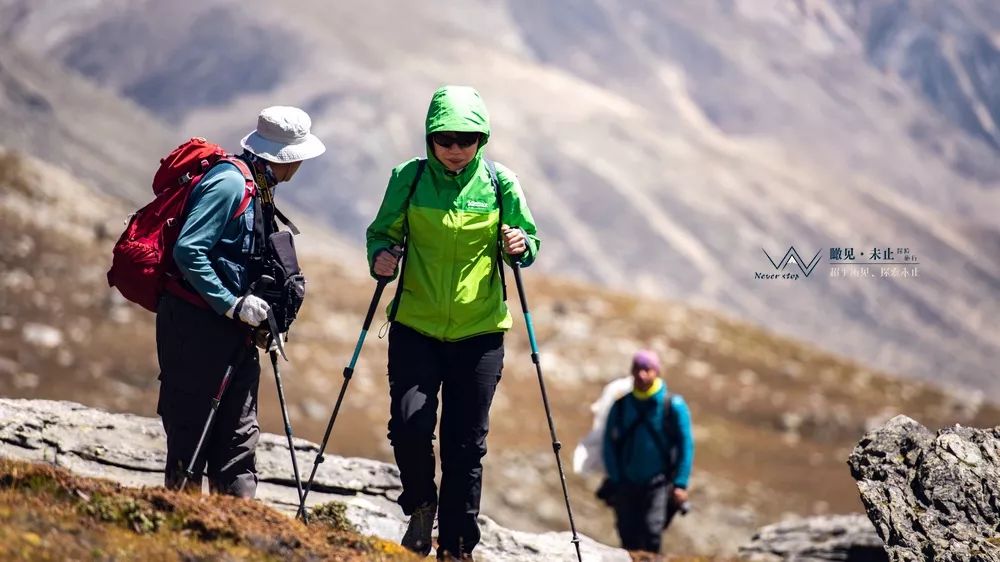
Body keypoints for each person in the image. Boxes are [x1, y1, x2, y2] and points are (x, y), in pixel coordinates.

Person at [366, 85, 540, 560]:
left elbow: (528, 240)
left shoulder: (500, 183)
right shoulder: (409, 178)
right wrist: (380, 258)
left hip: (479, 334)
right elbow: (381, 234)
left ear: (482, 139)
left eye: (467, 139)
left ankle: (457, 546)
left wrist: (521, 245)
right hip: (415, 327)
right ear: (430, 137)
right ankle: (422, 507)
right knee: (409, 427)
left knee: (465, 446)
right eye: (445, 139)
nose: (456, 148)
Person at [156, 106, 325, 497]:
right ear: (288, 157)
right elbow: (188, 250)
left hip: (233, 331)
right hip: (195, 328)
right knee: (191, 435)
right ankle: (179, 520)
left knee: (238, 438)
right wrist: (232, 304)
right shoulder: (230, 183)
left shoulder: (259, 185)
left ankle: (237, 526)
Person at [601, 350, 694, 555]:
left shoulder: (673, 405)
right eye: (637, 369)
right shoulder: (621, 405)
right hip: (625, 483)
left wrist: (680, 483)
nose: (641, 374)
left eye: (647, 369)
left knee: (652, 533)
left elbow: (686, 445)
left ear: (657, 372)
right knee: (627, 536)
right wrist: (616, 478)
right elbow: (608, 443)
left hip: (659, 483)